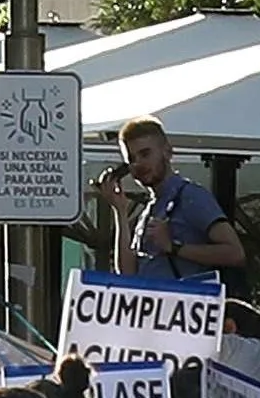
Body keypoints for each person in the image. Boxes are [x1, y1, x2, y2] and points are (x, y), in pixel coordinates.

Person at [97, 119, 247, 315]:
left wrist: (174, 247)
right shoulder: (150, 208)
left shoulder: (191, 196)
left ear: (167, 152)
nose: (139, 164)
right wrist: (120, 212)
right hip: (153, 322)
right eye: (131, 159)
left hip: (185, 321)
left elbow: (235, 254)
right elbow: (128, 274)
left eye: (145, 154)